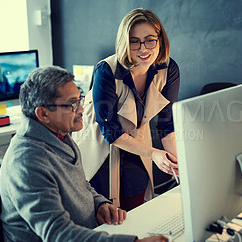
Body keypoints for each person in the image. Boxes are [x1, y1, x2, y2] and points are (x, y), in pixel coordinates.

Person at [0, 66, 167, 242]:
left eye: (80, 100)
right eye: (72, 104)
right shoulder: (27, 162)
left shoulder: (60, 136)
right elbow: (58, 234)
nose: (81, 110)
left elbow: (81, 184)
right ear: (43, 114)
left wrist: (99, 204)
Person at [76, 8, 180, 211]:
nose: (143, 49)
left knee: (136, 203)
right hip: (100, 143)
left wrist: (179, 166)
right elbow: (111, 132)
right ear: (125, 42)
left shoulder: (168, 69)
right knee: (104, 208)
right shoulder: (106, 70)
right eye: (134, 41)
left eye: (150, 40)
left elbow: (167, 125)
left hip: (137, 141)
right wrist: (154, 154)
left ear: (160, 40)